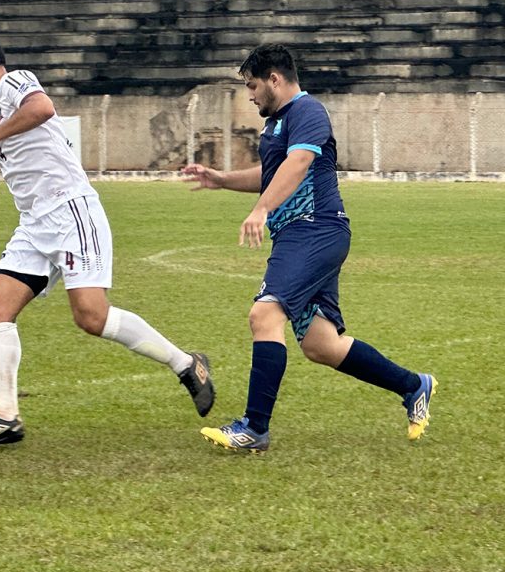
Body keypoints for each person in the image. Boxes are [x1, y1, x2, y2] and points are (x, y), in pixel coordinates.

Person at [0, 33, 214, 450]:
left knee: (91, 317)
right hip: (35, 224)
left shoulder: (16, 83)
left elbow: (42, 108)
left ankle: (187, 364)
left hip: (71, 213)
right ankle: (5, 418)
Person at [182, 43, 435, 453]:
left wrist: (262, 209)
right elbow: (273, 172)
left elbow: (298, 164)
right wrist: (222, 179)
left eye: (252, 85)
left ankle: (254, 429)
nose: (249, 95)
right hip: (303, 234)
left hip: (314, 229)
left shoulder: (307, 111)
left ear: (275, 79)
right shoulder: (279, 122)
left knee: (264, 315)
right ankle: (413, 385)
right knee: (322, 345)